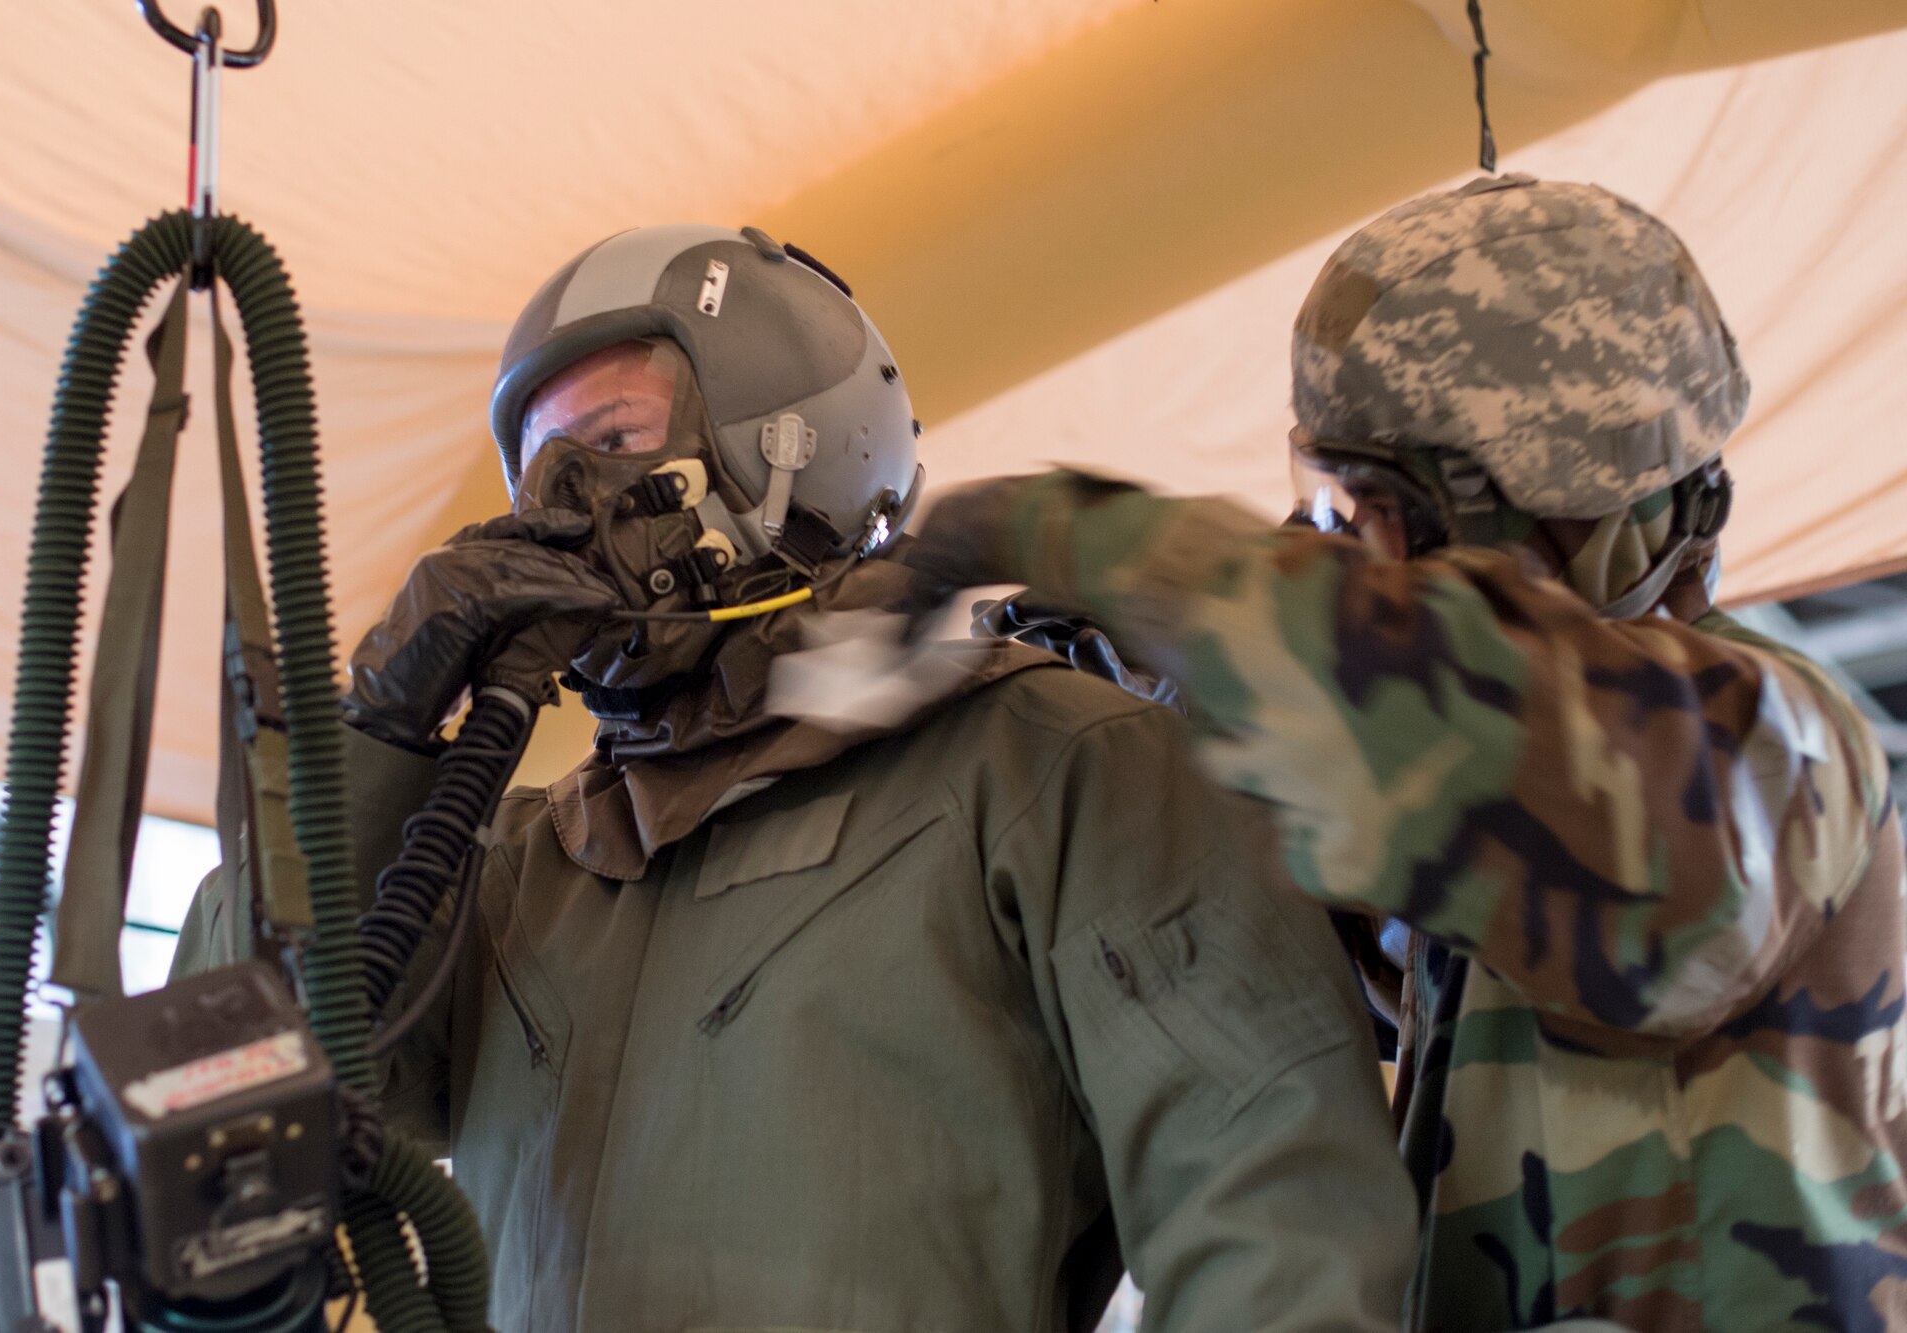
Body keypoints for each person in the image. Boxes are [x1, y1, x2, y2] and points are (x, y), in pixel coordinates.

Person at [174, 224, 1417, 1332]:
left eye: (611, 444)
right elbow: (243, 1082)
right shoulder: (513, 872)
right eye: (541, 470)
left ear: (796, 447)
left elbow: (1277, 1217)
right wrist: (382, 729)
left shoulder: (1057, 767)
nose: (564, 506)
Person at [910, 176, 1907, 1332]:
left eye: (1368, 500)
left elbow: (1447, 717)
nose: (1343, 540)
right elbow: (1354, 855)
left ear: (1522, 505)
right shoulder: (1497, 814)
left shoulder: (1767, 748)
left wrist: (1036, 530)